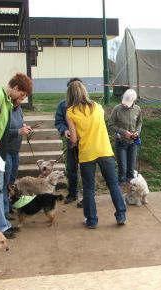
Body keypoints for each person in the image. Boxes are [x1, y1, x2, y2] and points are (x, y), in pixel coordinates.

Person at [65, 80, 126, 229]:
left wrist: (73, 137)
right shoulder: (98, 107)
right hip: (105, 150)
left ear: (70, 95)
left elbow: (73, 139)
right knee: (113, 184)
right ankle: (121, 215)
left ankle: (92, 220)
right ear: (85, 91)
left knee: (88, 188)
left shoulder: (70, 112)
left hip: (87, 154)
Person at [0, 73, 33, 239]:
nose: (22, 98)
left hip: (1, 152)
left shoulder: (7, 101)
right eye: (22, 95)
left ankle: (2, 226)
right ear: (16, 88)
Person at [3, 97, 32, 220]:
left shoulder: (18, 108)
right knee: (4, 182)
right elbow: (1, 132)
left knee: (12, 180)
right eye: (19, 98)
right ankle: (4, 211)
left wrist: (25, 127)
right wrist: (18, 131)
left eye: (23, 98)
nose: (21, 101)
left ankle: (10, 204)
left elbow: (20, 123)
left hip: (16, 150)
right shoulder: (5, 110)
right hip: (6, 151)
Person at [108, 89, 142, 190]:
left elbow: (140, 122)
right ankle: (120, 192)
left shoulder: (137, 109)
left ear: (134, 101)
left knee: (131, 170)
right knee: (122, 168)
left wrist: (137, 132)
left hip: (133, 143)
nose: (125, 105)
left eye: (128, 103)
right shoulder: (117, 109)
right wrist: (123, 132)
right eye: (124, 102)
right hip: (121, 142)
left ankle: (130, 192)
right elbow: (111, 125)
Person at [55, 78, 81, 207]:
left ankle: (87, 195)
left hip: (85, 144)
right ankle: (73, 193)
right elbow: (58, 121)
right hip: (71, 143)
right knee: (71, 169)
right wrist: (65, 130)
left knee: (87, 170)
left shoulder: (88, 105)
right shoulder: (62, 105)